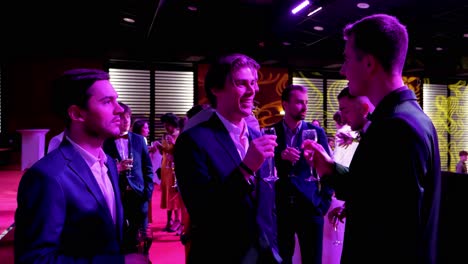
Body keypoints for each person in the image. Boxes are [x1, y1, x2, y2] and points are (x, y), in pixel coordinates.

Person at [302, 14, 441, 263]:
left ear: (368, 64)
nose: (343, 70)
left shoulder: (397, 125)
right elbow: (376, 192)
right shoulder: (405, 117)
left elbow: (398, 228)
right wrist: (330, 170)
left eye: (346, 59)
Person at [14, 68, 149, 263]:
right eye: (107, 102)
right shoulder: (47, 177)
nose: (119, 109)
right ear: (77, 113)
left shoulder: (109, 163)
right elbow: (35, 259)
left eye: (116, 99)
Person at [174, 53, 281, 263]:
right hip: (221, 254)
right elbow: (203, 211)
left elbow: (268, 204)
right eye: (241, 83)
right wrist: (246, 169)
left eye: (254, 82)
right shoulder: (193, 141)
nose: (253, 90)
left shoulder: (259, 137)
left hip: (264, 254)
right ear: (216, 89)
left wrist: (273, 248)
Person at [272, 84, 333, 264]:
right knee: (282, 259)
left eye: (306, 102)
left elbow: (328, 169)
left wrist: (324, 203)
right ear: (285, 104)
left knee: (312, 260)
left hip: (311, 206)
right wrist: (279, 156)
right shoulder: (271, 131)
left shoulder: (316, 132)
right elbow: (264, 168)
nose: (305, 107)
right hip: (281, 207)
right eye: (299, 102)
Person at [323, 86, 374, 264]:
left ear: (365, 109)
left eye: (345, 110)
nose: (342, 118)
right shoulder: (366, 133)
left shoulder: (383, 133)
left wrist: (327, 167)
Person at [103, 102, 154, 253]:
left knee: (142, 238)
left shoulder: (139, 140)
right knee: (122, 236)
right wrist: (116, 169)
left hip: (139, 194)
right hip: (118, 194)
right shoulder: (105, 141)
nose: (126, 122)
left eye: (128, 118)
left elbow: (148, 168)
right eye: (122, 118)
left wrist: (148, 193)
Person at [155, 112, 183, 232]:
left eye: (168, 125)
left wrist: (173, 143)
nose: (166, 128)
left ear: (173, 124)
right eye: (165, 125)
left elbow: (180, 152)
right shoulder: (165, 136)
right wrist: (159, 147)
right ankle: (169, 220)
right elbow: (165, 152)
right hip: (165, 168)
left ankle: (177, 220)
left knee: (174, 195)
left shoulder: (179, 135)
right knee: (166, 194)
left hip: (174, 169)